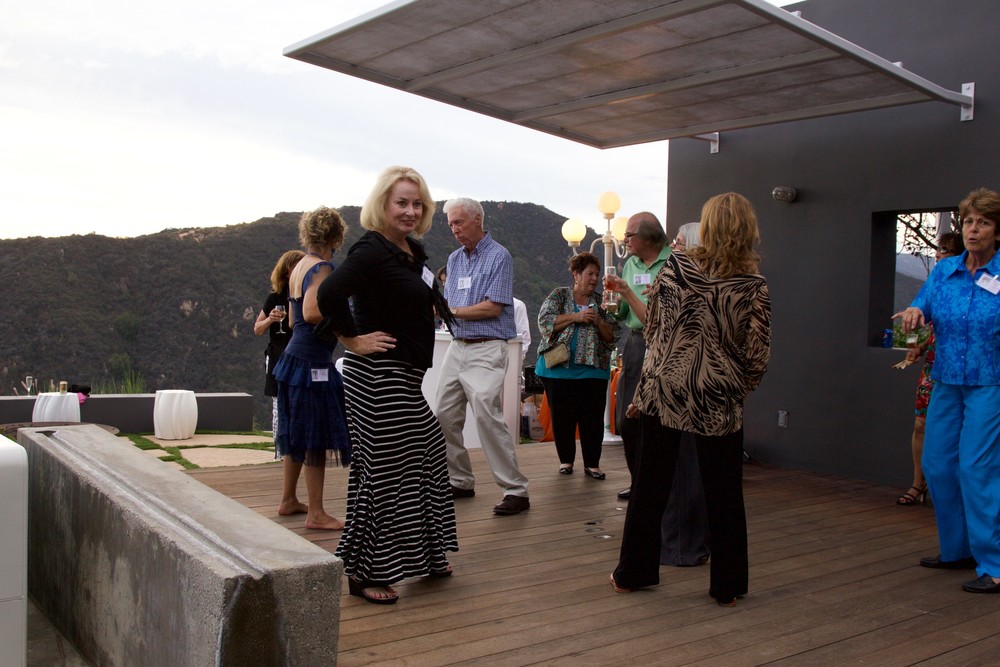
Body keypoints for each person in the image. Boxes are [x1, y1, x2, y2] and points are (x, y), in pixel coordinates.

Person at [608, 192, 771, 607]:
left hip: (667, 390)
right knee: (724, 493)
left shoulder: (677, 267)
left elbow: (656, 334)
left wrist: (643, 392)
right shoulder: (753, 285)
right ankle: (727, 586)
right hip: (719, 397)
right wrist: (735, 388)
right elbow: (758, 354)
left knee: (650, 486)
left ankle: (634, 574)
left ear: (708, 226)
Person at [317, 165, 458, 606]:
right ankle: (363, 572)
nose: (411, 211)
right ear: (383, 204)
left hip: (404, 378)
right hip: (378, 377)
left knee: (428, 455)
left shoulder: (410, 251)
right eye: (402, 202)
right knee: (383, 472)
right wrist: (352, 340)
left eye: (417, 204)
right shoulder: (372, 249)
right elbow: (328, 294)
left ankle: (428, 554)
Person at [895, 187, 1000, 594]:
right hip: (947, 380)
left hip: (990, 382)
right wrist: (914, 313)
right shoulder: (944, 271)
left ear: (997, 231)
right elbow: (921, 308)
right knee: (937, 465)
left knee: (976, 468)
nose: (973, 230)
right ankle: (958, 550)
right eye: (969, 222)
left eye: (983, 223)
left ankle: (994, 563)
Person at [437, 197, 530, 515]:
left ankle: (516, 490)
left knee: (487, 417)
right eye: (451, 224)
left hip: (488, 347)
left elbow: (493, 307)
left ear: (477, 219)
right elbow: (448, 304)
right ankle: (460, 480)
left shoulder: (499, 256)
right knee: (444, 415)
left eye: (459, 222)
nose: (454, 229)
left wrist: (451, 311)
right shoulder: (454, 259)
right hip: (458, 346)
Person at [272, 207, 351, 531]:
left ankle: (288, 499)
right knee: (314, 436)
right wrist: (346, 322)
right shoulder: (322, 267)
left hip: (291, 360)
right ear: (336, 236)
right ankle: (316, 513)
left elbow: (293, 321)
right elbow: (311, 312)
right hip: (312, 364)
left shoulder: (298, 266)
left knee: (295, 432)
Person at [535, 252, 618, 478]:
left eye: (597, 274)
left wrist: (598, 320)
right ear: (576, 274)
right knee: (562, 419)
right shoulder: (559, 296)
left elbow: (612, 336)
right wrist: (576, 317)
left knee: (592, 419)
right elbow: (545, 323)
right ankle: (566, 461)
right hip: (557, 371)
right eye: (590, 274)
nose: (594, 279)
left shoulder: (603, 302)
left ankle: (592, 464)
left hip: (594, 372)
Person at [896, 231, 964, 505]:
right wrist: (918, 346)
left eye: (945, 250)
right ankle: (918, 484)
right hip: (933, 366)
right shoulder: (937, 282)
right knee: (921, 424)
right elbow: (924, 324)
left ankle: (954, 491)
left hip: (962, 371)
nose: (938, 254)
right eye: (938, 249)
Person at [607, 212, 671, 500]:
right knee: (627, 419)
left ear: (647, 237)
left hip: (665, 345)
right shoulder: (630, 264)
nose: (624, 240)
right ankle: (639, 483)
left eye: (629, 235)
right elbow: (623, 312)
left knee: (658, 419)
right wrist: (613, 304)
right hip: (635, 343)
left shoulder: (674, 262)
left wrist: (626, 293)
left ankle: (661, 486)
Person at [253, 250, 304, 435]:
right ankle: (279, 445)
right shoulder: (275, 297)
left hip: (299, 356)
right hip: (278, 356)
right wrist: (270, 320)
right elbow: (257, 329)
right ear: (287, 271)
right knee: (279, 403)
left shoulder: (307, 295)